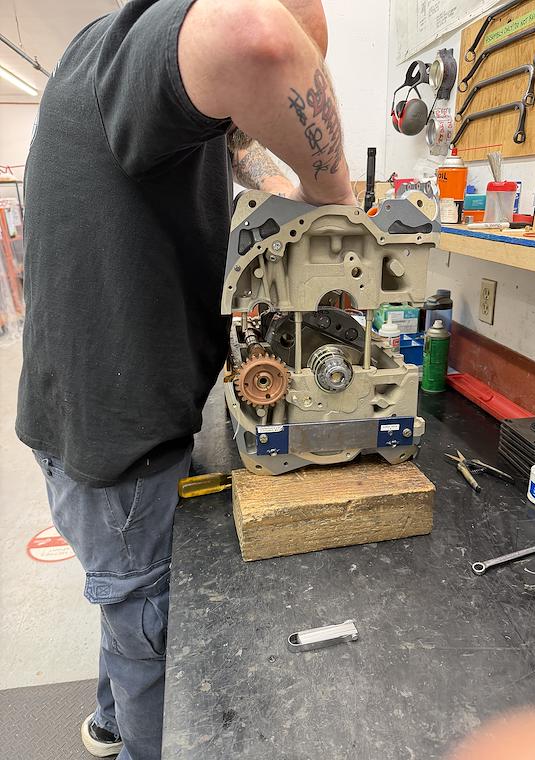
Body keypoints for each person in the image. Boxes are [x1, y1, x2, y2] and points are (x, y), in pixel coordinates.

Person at [16, 1, 355, 757]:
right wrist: (334, 191)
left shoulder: (131, 83)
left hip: (89, 422)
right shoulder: (134, 53)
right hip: (121, 447)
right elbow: (257, 37)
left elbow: (241, 149)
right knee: (151, 632)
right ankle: (139, 737)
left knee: (125, 598)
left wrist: (289, 189)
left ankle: (108, 720)